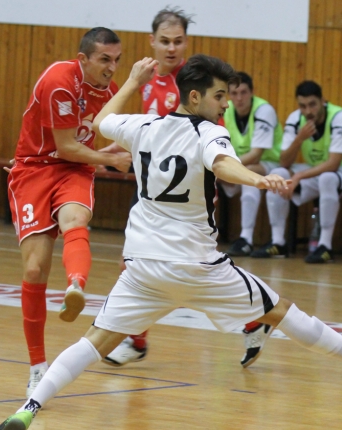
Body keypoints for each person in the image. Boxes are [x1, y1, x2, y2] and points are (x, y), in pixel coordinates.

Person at [0, 54, 342, 430]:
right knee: (281, 311)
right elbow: (223, 166)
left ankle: (30, 406)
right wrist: (259, 181)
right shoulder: (211, 132)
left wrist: (132, 80)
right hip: (198, 267)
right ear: (194, 97)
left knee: (94, 342)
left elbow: (101, 119)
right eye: (219, 96)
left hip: (143, 269)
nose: (225, 105)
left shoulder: (143, 127)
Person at [6, 27, 131, 397]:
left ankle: (76, 284)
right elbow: (64, 146)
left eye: (117, 60)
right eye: (105, 60)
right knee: (34, 269)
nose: (112, 68)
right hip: (34, 169)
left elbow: (86, 145)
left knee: (76, 220)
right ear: (83, 59)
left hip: (74, 170)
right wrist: (109, 161)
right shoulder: (61, 81)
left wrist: (108, 155)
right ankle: (36, 367)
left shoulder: (107, 93)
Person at [103, 6, 194, 368]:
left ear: (187, 43)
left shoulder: (194, 81)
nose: (171, 48)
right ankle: (136, 341)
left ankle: (257, 319)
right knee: (137, 264)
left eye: (178, 41)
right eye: (165, 41)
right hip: (151, 192)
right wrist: (117, 146)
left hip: (185, 195)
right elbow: (148, 130)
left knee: (194, 273)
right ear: (152, 42)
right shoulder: (149, 78)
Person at [252, 80, 342, 264]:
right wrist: (299, 139)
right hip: (317, 170)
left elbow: (333, 163)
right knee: (278, 173)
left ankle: (325, 246)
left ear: (323, 101)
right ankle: (278, 242)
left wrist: (298, 176)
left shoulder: (340, 117)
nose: (308, 111)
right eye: (303, 106)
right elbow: (284, 161)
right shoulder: (295, 118)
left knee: (328, 178)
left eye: (312, 105)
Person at [221, 72, 282, 257]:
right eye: (234, 93)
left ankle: (246, 238)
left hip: (270, 163)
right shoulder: (225, 108)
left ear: (252, 92)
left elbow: (256, 154)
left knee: (248, 174)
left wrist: (229, 169)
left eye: (244, 92)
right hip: (238, 163)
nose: (239, 98)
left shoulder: (264, 110)